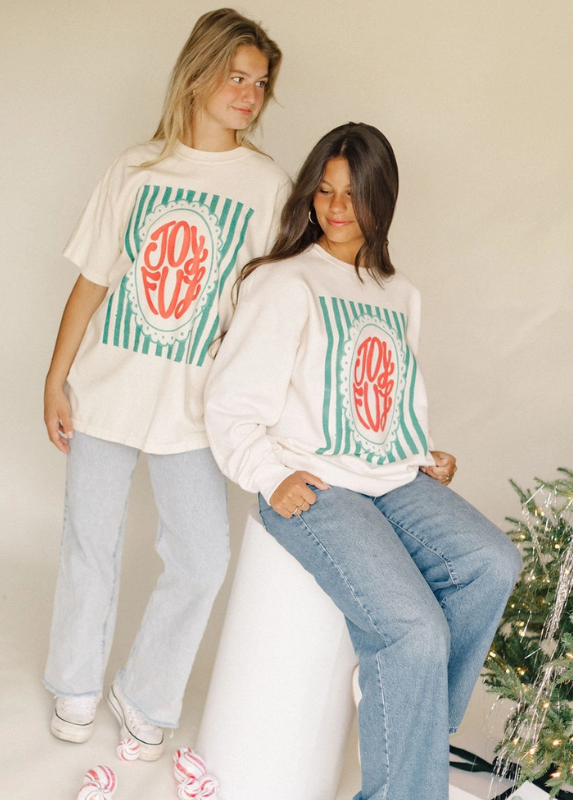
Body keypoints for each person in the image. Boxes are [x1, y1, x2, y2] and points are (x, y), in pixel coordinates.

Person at [204, 122, 522, 799]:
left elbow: (382, 395)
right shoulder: (284, 282)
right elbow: (230, 402)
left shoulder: (398, 292)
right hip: (314, 483)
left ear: (383, 198)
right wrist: (269, 476)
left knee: (492, 562)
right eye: (325, 191)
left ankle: (409, 709)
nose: (337, 207)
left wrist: (417, 450)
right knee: (415, 630)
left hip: (392, 477)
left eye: (353, 193)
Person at [43, 8, 288, 760]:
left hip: (194, 407)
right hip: (106, 391)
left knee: (202, 558)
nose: (248, 95)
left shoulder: (266, 185)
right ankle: (74, 682)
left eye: (261, 84)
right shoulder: (136, 168)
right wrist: (55, 379)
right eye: (236, 77)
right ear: (198, 73)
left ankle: (145, 692)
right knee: (90, 543)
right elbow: (93, 281)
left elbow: (269, 308)